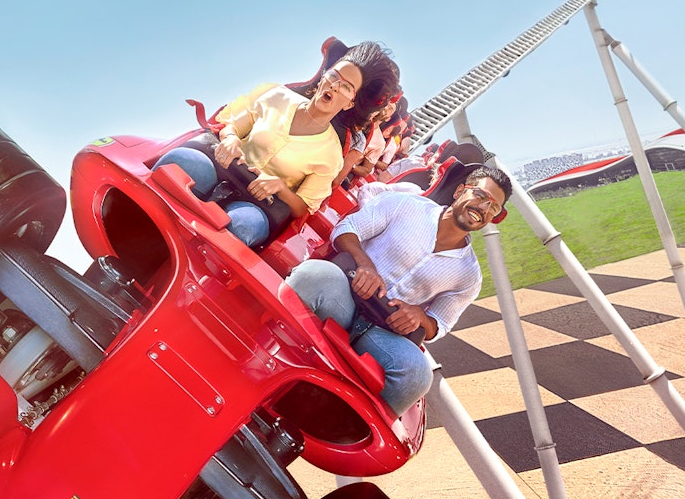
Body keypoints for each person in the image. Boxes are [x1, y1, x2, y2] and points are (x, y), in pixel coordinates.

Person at [287, 165, 513, 414]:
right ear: (460, 190)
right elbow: (347, 229)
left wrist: (420, 317)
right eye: (480, 196)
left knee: (417, 376)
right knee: (312, 275)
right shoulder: (405, 205)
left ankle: (335, 424)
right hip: (344, 297)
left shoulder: (469, 275)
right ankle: (271, 359)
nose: (483, 208)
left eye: (493, 207)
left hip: (381, 332)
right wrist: (365, 264)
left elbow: (440, 324)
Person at [153, 41, 400, 246]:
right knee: (181, 163)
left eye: (345, 87)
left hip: (256, 203)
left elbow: (303, 207)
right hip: (221, 165)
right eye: (334, 76)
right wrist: (229, 139)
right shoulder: (276, 96)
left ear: (349, 103)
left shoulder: (332, 155)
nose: (335, 86)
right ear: (324, 76)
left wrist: (280, 187)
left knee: (242, 228)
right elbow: (232, 123)